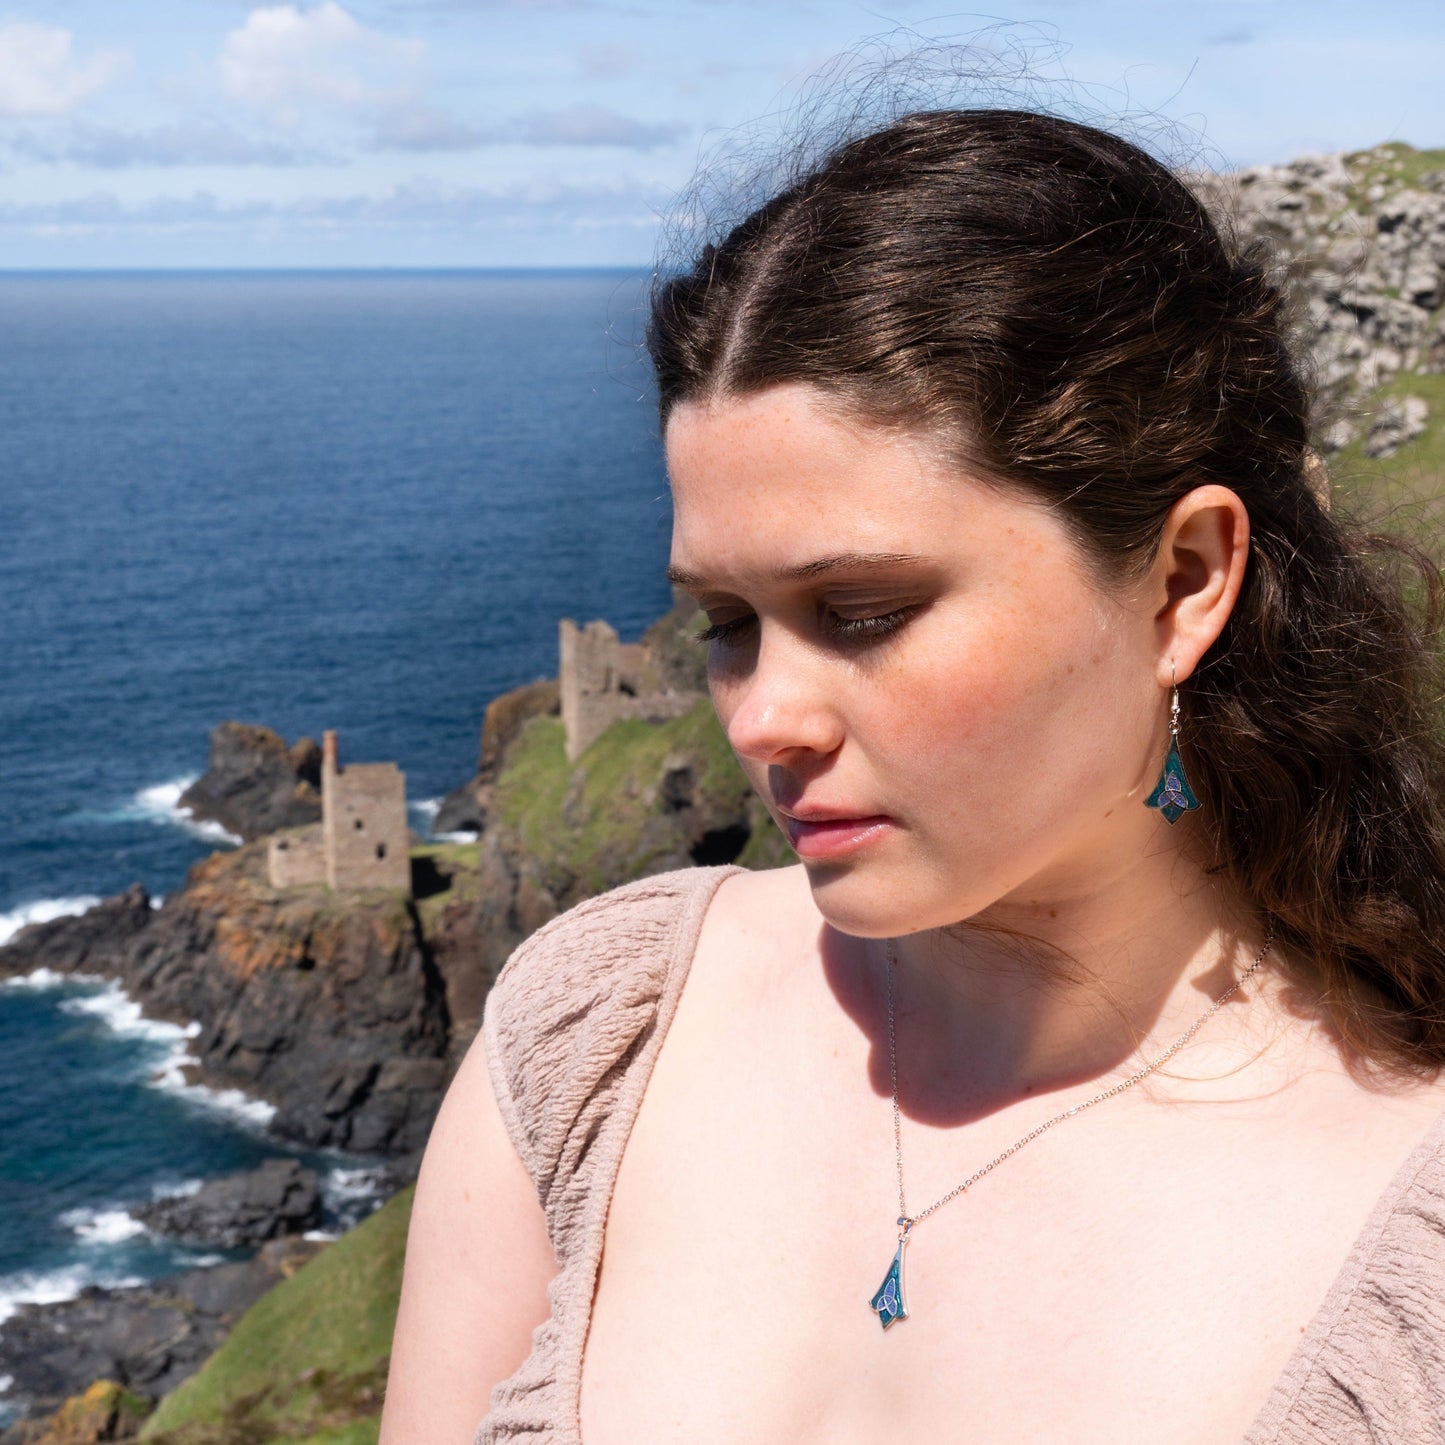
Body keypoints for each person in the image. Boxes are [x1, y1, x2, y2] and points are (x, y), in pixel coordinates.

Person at [380, 108, 1445, 1444]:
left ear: (1181, 581)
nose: (761, 715)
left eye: (865, 609)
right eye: (724, 622)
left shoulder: (1405, 1241)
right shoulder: (591, 1044)